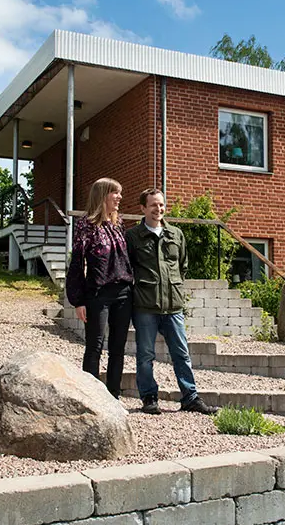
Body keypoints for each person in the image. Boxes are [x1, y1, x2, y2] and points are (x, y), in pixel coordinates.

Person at [125, 188, 216, 415]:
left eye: (162, 205)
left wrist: (173, 288)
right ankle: (149, 397)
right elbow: (127, 269)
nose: (159, 209)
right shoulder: (133, 236)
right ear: (143, 208)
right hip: (145, 305)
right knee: (146, 355)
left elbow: (182, 266)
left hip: (173, 306)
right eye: (153, 205)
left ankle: (190, 397)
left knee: (181, 354)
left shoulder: (176, 234)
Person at [65, 177, 133, 399]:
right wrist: (78, 300)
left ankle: (113, 396)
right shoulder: (86, 225)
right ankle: (91, 397)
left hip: (123, 293)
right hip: (98, 294)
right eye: (115, 193)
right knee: (94, 346)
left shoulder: (118, 223)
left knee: (117, 347)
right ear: (102, 195)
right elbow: (76, 263)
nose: (120, 197)